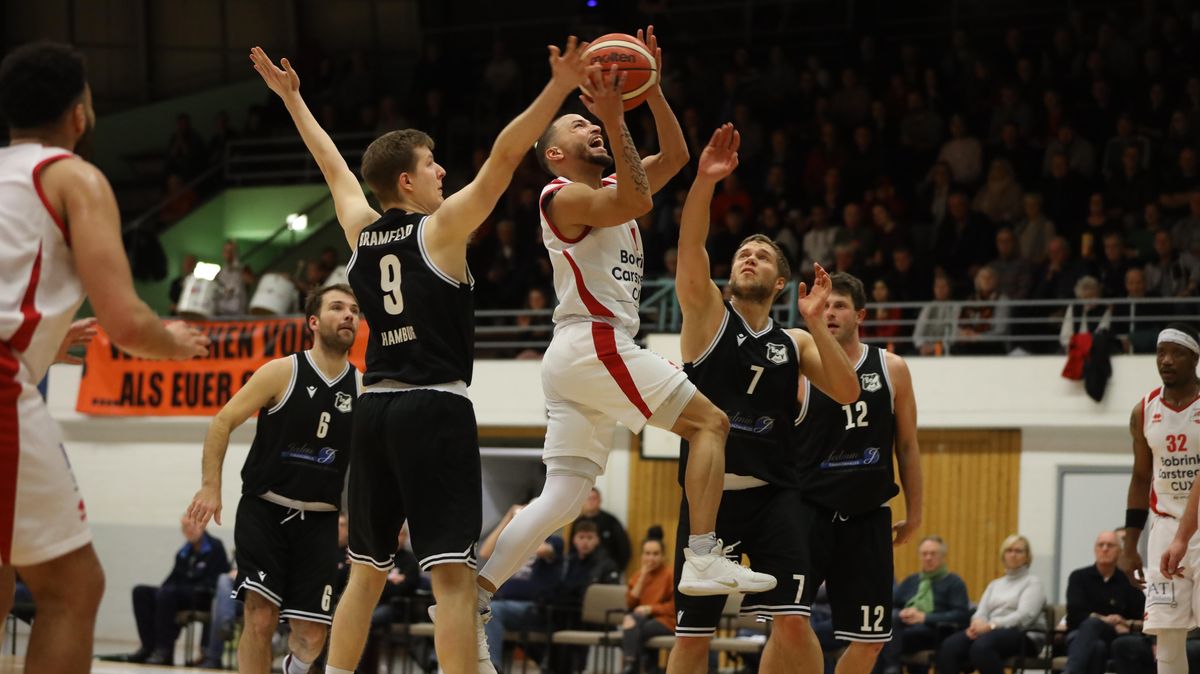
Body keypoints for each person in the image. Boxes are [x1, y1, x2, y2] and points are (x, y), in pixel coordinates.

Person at [248, 36, 595, 674]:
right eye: (433, 164)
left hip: (372, 413)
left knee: (366, 575)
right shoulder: (443, 230)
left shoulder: (360, 230)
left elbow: (333, 168)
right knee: (453, 581)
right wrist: (556, 88)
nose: (443, 173)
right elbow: (507, 155)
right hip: (433, 410)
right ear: (406, 180)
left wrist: (294, 101)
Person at [476, 30, 772, 634]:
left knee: (561, 497)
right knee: (711, 423)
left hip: (581, 354)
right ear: (555, 155)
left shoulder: (609, 186)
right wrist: (613, 119)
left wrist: (653, 91)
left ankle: (472, 593)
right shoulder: (558, 197)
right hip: (595, 341)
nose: (587, 129)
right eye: (575, 128)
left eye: (590, 125)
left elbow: (677, 158)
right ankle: (703, 555)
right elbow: (639, 201)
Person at [0, 41, 209, 674]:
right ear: (81, 113)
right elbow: (123, 321)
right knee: (74, 587)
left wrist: (41, 341)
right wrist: (168, 342)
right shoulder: (72, 175)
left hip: (17, 360)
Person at [663, 123, 859, 674]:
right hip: (711, 502)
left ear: (779, 284)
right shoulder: (706, 317)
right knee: (693, 637)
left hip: (777, 497)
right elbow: (689, 246)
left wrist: (817, 323)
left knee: (793, 620)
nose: (749, 258)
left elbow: (845, 390)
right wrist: (704, 181)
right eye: (743, 253)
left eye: (763, 257)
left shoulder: (794, 341)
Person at [185, 284, 360, 674]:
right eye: (337, 307)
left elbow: (371, 464)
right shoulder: (283, 371)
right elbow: (223, 421)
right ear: (314, 322)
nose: (349, 314)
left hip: (319, 521)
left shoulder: (362, 388)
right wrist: (211, 485)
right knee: (260, 618)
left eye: (354, 310)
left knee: (313, 637)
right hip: (265, 510)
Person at [792, 271, 924, 674]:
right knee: (788, 624)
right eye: (825, 305)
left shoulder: (891, 367)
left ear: (860, 315)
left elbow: (907, 444)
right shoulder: (800, 368)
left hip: (866, 516)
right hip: (808, 513)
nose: (829, 312)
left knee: (870, 643)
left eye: (839, 306)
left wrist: (915, 513)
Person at [1133, 323, 1200, 674]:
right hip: (1164, 529)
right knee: (1168, 635)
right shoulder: (1144, 409)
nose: (1166, 360)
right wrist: (1131, 542)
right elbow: (1140, 477)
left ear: (1194, 359)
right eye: (1161, 352)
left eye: (1176, 353)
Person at [109, 515, 231, 665]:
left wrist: (169, 591)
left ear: (202, 526)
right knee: (141, 592)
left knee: (168, 593)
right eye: (185, 528)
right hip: (177, 594)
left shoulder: (215, 547)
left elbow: (216, 581)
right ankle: (149, 647)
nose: (189, 531)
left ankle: (164, 650)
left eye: (192, 526)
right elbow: (171, 580)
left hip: (203, 596)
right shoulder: (183, 552)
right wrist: (160, 592)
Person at [933, 535, 1047, 674]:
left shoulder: (1033, 583)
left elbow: (1024, 616)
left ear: (1027, 557)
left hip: (1024, 635)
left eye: (1018, 551)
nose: (1013, 555)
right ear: (1003, 555)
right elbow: (981, 611)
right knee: (950, 646)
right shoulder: (995, 584)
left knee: (982, 647)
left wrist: (991, 626)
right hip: (991, 632)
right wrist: (976, 624)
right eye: (1009, 550)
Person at [478, 504, 564, 670]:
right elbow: (485, 552)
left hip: (534, 608)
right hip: (505, 605)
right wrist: (509, 517)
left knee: (492, 609)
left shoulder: (554, 541)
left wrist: (528, 525)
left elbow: (541, 550)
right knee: (473, 609)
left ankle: (494, 667)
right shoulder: (515, 542)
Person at [876, 536, 971, 674]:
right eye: (924, 554)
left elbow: (961, 615)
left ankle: (892, 669)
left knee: (885, 642)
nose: (928, 558)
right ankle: (891, 668)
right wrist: (905, 612)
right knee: (880, 635)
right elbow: (892, 604)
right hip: (903, 628)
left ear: (943, 556)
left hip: (934, 631)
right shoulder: (912, 580)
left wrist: (924, 617)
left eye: (933, 554)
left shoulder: (954, 582)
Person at [1063, 531, 1145, 674]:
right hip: (1081, 634)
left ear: (1120, 552)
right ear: (1095, 550)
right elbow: (1074, 615)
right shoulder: (1079, 577)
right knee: (1097, 646)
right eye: (1101, 545)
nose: (1105, 549)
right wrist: (1105, 619)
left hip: (1115, 635)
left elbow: (1142, 616)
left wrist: (1125, 622)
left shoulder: (1128, 581)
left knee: (1095, 627)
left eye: (1110, 545)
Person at [621, 528, 674, 674]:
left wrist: (650, 609)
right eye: (647, 553)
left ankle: (631, 666)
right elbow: (630, 604)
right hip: (643, 620)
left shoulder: (670, 575)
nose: (651, 558)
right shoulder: (638, 575)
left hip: (667, 621)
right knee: (632, 621)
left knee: (634, 627)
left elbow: (674, 607)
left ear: (663, 556)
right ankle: (645, 668)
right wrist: (643, 577)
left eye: (656, 554)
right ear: (642, 555)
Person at [568, 487, 632, 570]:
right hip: (581, 569)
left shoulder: (610, 521)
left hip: (607, 568)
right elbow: (571, 547)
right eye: (588, 498)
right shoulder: (577, 522)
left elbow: (623, 548)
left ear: (600, 500)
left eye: (594, 498)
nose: (591, 502)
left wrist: (616, 569)